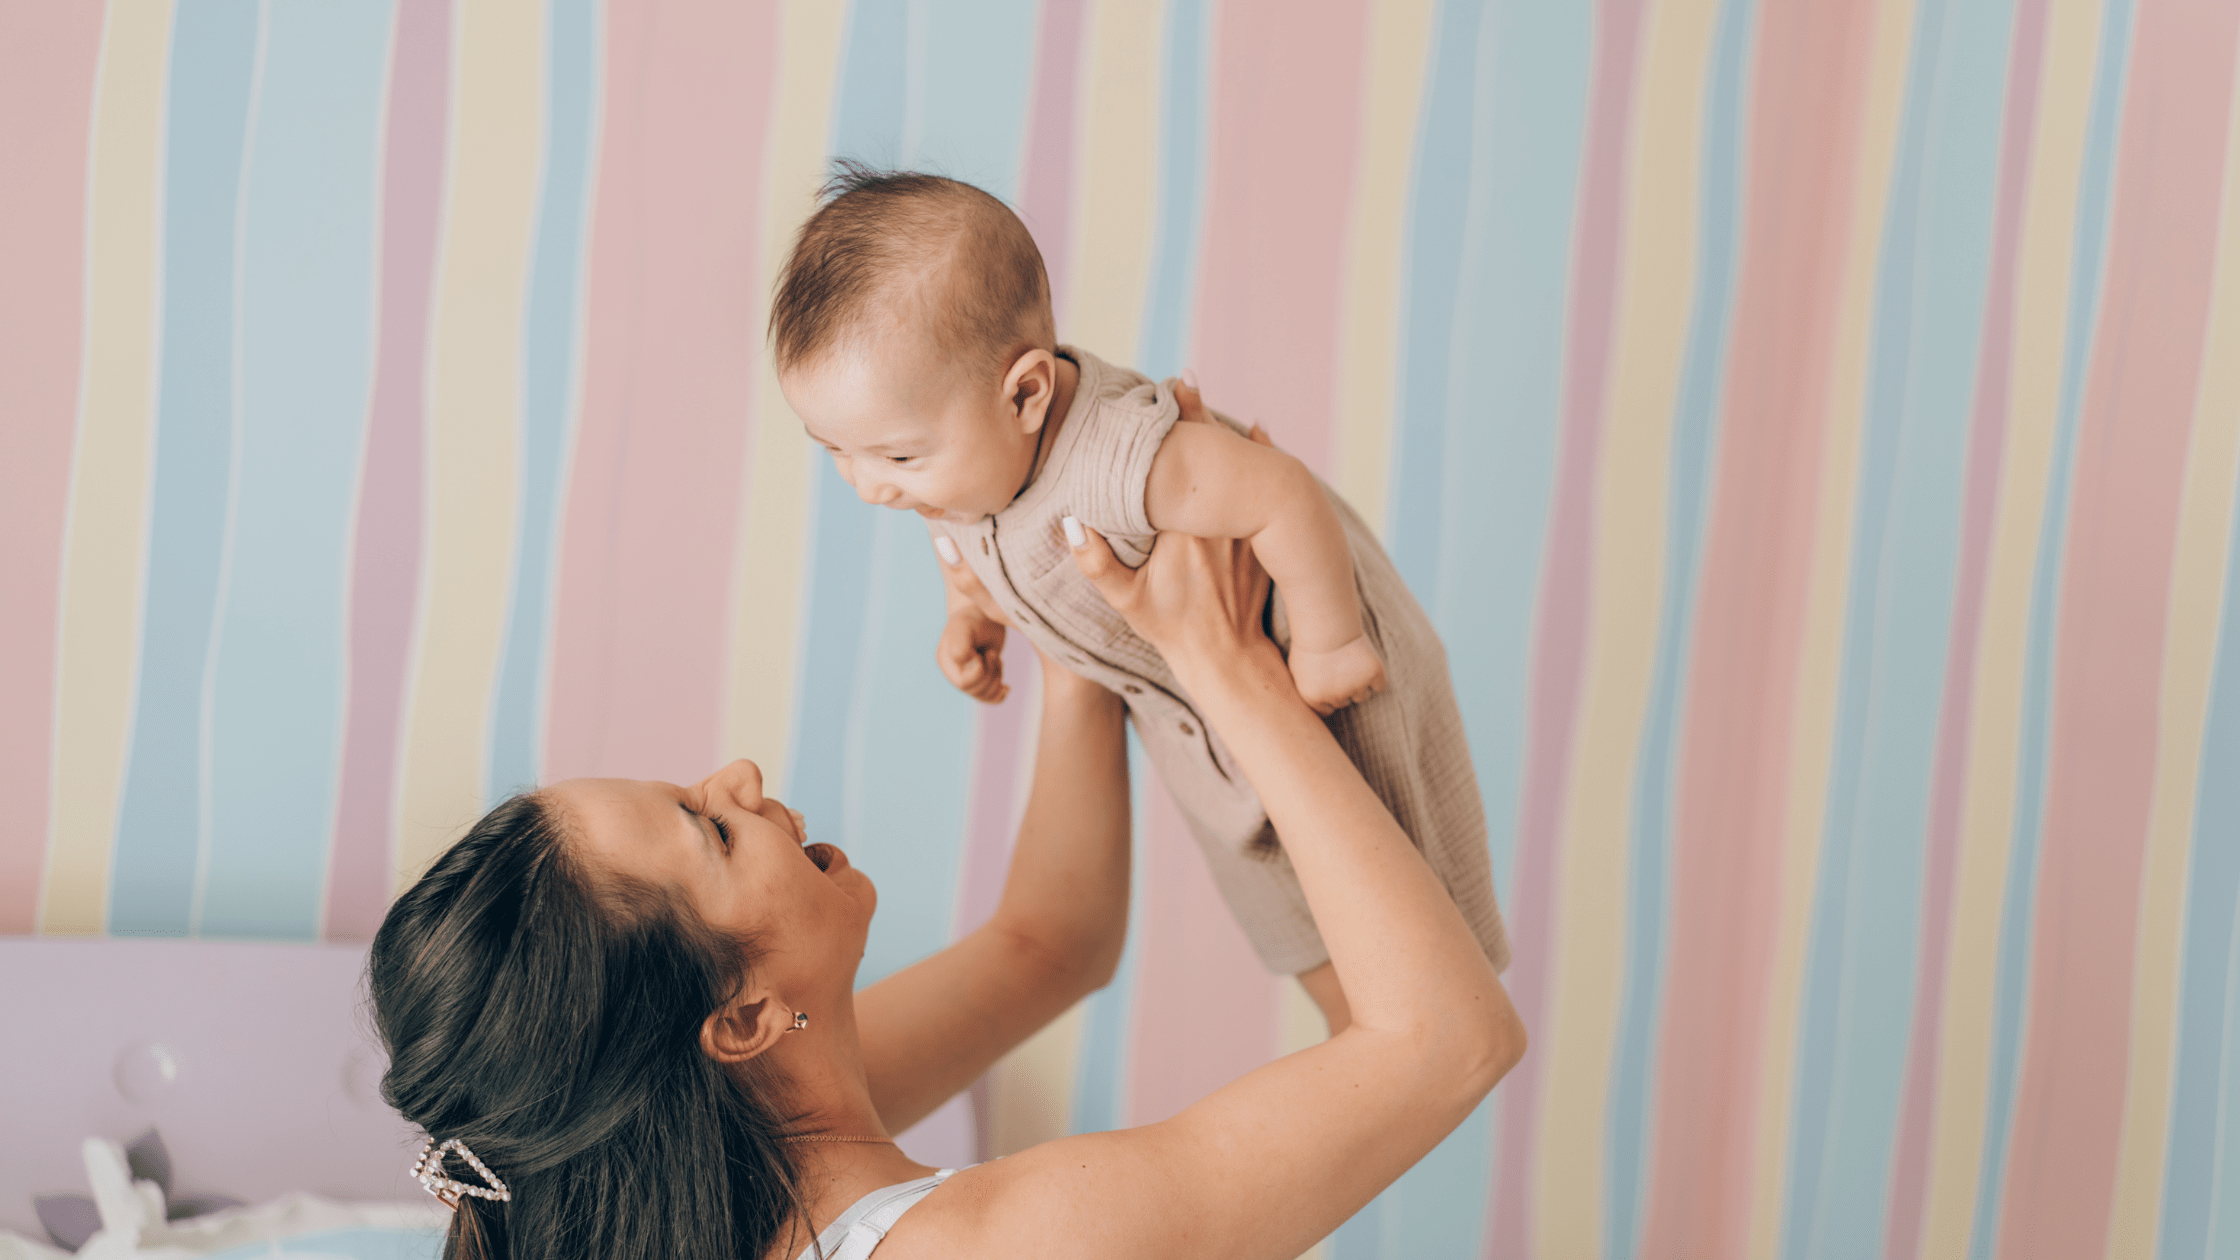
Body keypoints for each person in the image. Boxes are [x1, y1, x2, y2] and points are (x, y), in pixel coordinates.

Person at [368, 507, 1526, 1259]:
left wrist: (1074, 632)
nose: (738, 775)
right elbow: (1444, 1040)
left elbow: (1048, 943)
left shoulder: (691, 1164)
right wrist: (1226, 668)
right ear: (741, 1017)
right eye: (708, 829)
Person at [768, 165, 1510, 1033]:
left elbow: (1281, 495)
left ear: (1027, 394)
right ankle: (1366, 1050)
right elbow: (961, 535)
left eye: (895, 458)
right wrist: (969, 611)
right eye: (835, 452)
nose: (869, 488)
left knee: (1412, 899)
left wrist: (1329, 637)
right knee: (1301, 932)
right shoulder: (964, 465)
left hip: (1320, 686)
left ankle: (1431, 1029)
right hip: (1198, 730)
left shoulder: (1124, 460)